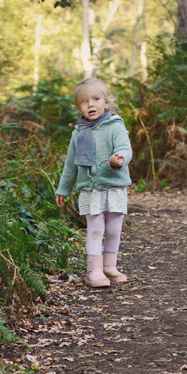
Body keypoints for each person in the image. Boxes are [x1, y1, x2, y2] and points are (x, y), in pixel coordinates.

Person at [55, 78, 132, 288]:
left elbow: (125, 148)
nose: (90, 104)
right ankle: (94, 271)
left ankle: (109, 266)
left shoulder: (115, 126)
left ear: (106, 102)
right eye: (84, 101)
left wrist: (119, 158)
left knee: (114, 229)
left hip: (114, 185)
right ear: (78, 107)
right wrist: (64, 188)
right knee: (96, 229)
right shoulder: (78, 133)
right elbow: (71, 164)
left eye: (96, 99)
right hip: (90, 189)